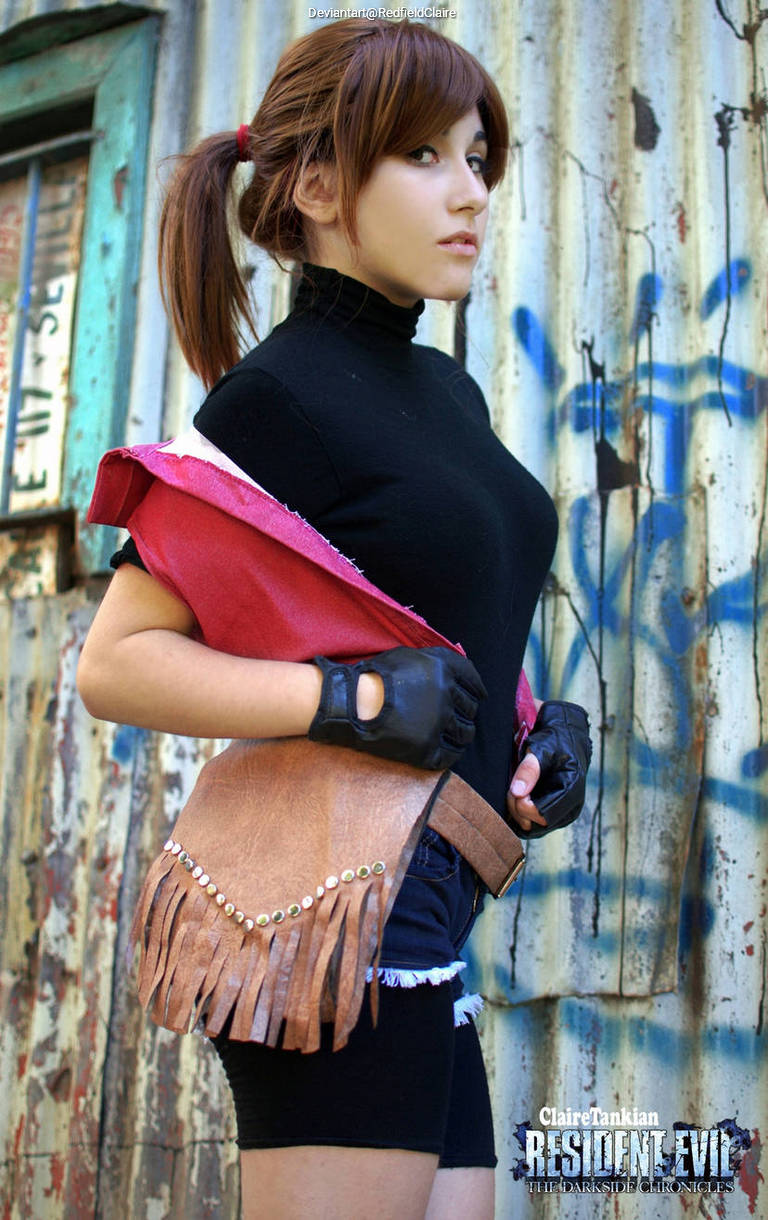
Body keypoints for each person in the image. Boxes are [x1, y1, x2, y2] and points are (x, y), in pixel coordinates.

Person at [77, 17, 590, 1220]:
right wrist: (347, 697)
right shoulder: (276, 399)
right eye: (425, 155)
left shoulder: (445, 387)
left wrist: (534, 731)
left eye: (478, 156)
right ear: (315, 185)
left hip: (436, 890)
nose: (471, 191)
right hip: (336, 899)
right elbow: (117, 663)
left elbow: (434, 608)